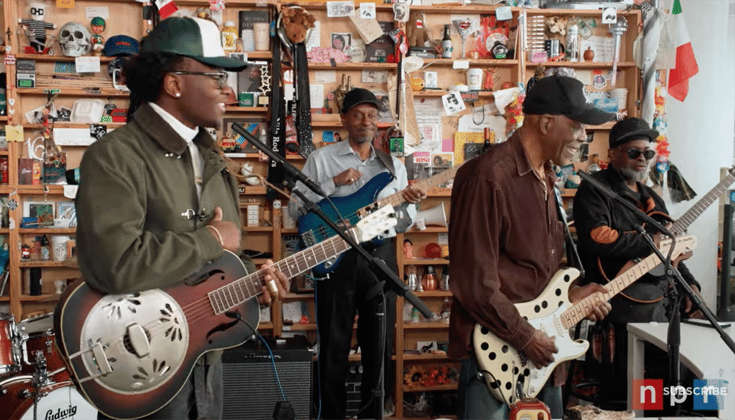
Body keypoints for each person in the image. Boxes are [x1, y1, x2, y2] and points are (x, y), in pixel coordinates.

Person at [75, 17, 289, 420]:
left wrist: (251, 280)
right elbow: (114, 266)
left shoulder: (210, 158)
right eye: (215, 76)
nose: (227, 89)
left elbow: (215, 262)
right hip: (141, 364)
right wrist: (210, 238)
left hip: (204, 361)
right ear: (174, 83)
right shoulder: (116, 156)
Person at [447, 75, 613, 420]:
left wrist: (574, 297)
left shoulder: (548, 178)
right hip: (494, 359)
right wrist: (526, 337)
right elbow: (473, 283)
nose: (583, 136)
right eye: (578, 125)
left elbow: (538, 276)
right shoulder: (486, 177)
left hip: (542, 359)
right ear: (547, 122)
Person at [288, 88, 426, 419]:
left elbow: (406, 221)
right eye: (358, 115)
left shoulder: (393, 165)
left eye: (372, 115)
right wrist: (334, 183)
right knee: (334, 342)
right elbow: (295, 209)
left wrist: (408, 205)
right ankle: (332, 414)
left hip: (380, 255)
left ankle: (372, 413)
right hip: (336, 256)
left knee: (379, 343)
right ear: (344, 120)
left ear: (379, 122)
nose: (366, 121)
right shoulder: (322, 160)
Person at [572, 117, 703, 407]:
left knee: (703, 332)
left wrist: (689, 282)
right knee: (662, 349)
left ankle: (687, 407)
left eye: (648, 153)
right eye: (634, 152)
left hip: (660, 294)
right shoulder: (595, 190)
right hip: (621, 296)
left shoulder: (651, 198)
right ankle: (648, 406)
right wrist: (649, 243)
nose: (642, 159)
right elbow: (597, 238)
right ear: (613, 153)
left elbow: (671, 248)